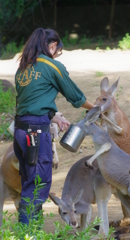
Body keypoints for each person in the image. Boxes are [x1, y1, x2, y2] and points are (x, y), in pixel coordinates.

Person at [14, 28, 95, 224]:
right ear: (52, 46)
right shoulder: (52, 66)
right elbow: (76, 97)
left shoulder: (23, 68)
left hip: (20, 131)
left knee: (29, 182)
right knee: (38, 183)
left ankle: (31, 230)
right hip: (36, 133)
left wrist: (53, 116)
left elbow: (30, 102)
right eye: (58, 51)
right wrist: (95, 109)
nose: (57, 54)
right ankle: (28, 232)